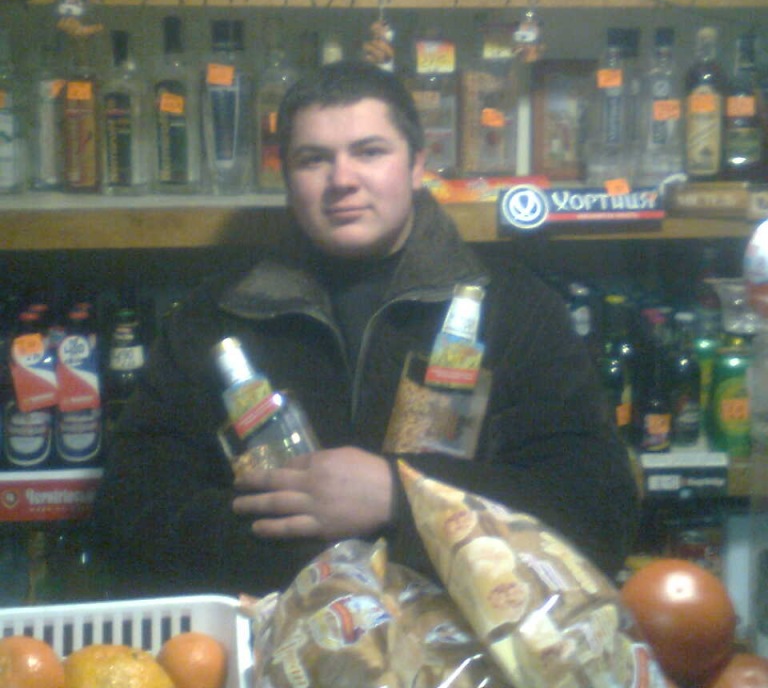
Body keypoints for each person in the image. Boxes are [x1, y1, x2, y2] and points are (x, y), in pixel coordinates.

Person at [93, 60, 639, 598]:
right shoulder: (215, 317)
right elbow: (130, 515)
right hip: (274, 639)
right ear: (287, 177)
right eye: (314, 159)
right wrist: (323, 550)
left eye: (370, 152)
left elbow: (595, 513)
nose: (343, 180)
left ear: (417, 165)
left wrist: (401, 495)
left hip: (465, 641)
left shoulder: (515, 309)